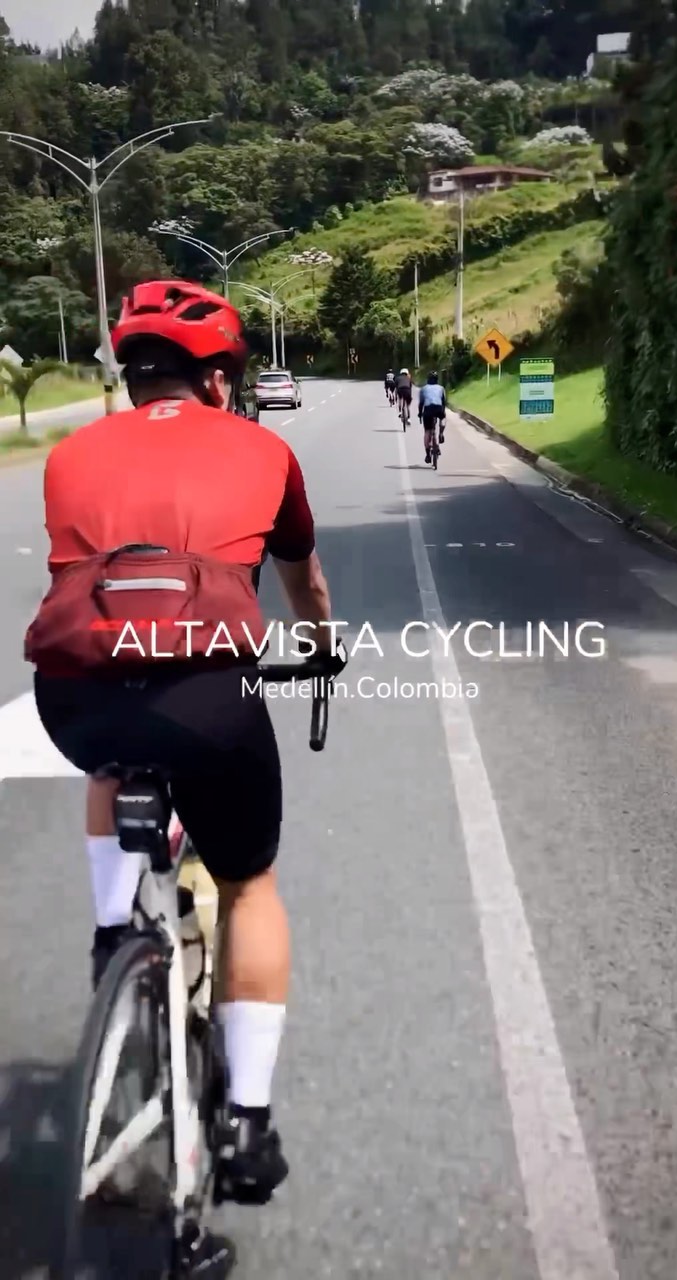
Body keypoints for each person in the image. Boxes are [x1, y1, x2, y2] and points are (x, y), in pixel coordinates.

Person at [24, 279, 347, 1257]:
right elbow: (304, 581)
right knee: (248, 881)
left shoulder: (70, 452)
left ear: (130, 373)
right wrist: (322, 642)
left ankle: (110, 927)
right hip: (211, 699)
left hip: (73, 695)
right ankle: (246, 1123)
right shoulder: (262, 447)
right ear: (217, 375)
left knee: (113, 750)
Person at [418, 370, 447, 464]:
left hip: (428, 410)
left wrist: (419, 413)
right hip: (438, 408)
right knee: (443, 418)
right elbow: (444, 402)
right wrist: (443, 411)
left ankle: (427, 454)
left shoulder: (423, 388)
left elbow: (421, 403)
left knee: (427, 431)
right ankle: (441, 433)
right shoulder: (441, 388)